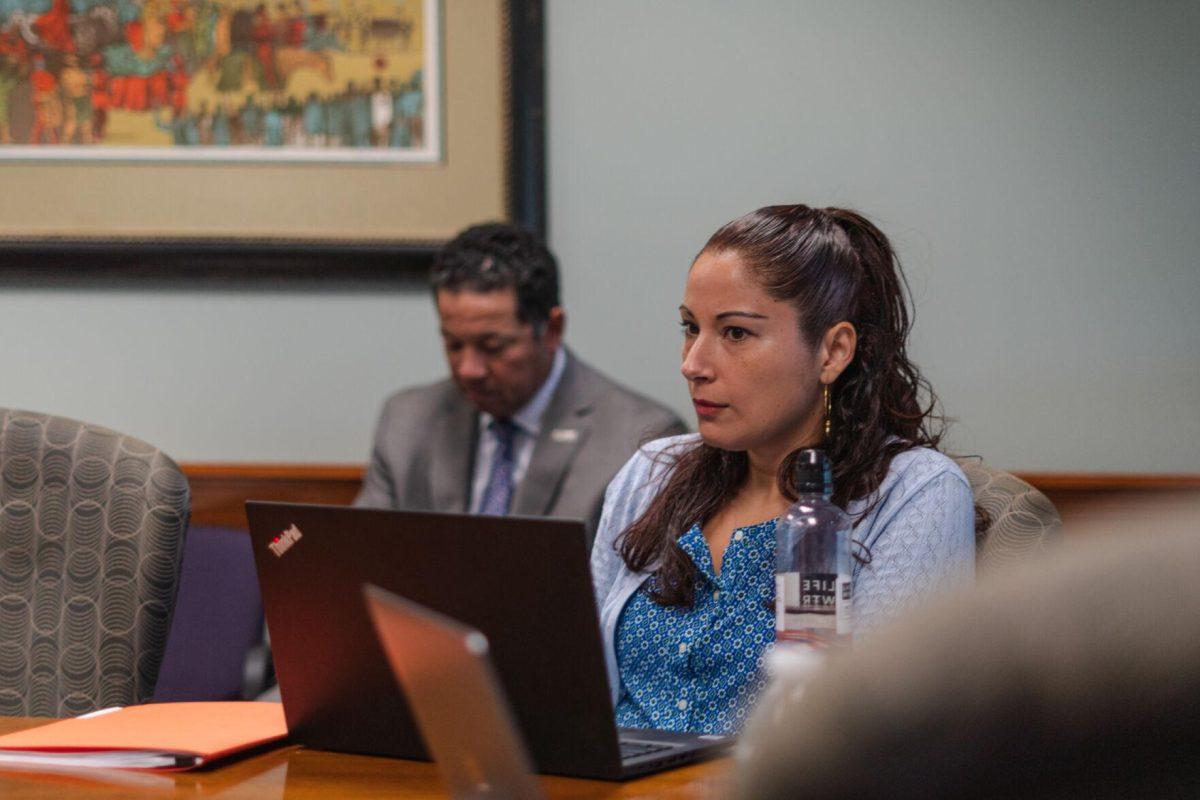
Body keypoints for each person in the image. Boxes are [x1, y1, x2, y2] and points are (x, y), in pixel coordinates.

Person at [590, 204, 977, 735]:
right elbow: (581, 685)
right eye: (690, 327)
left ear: (832, 351)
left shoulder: (912, 493)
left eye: (735, 334)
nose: (693, 364)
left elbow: (886, 731)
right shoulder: (651, 473)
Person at [354, 223, 687, 539]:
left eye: (492, 346)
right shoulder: (407, 422)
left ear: (552, 329)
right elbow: (361, 555)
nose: (469, 369)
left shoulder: (641, 441)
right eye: (454, 345)